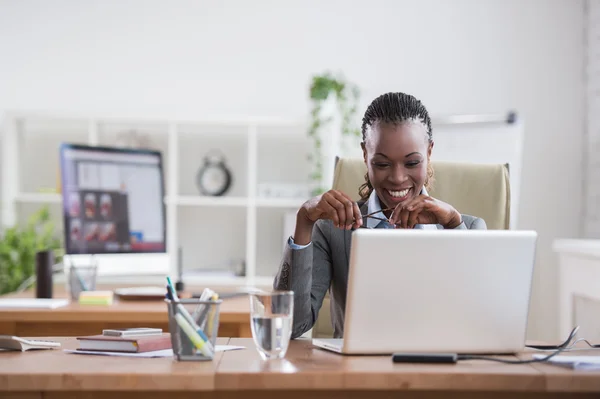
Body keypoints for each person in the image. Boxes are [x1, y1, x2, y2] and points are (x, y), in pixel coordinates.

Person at [273, 92, 487, 339]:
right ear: (365, 155)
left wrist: (453, 225)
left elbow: (477, 323)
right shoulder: (332, 229)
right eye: (382, 164)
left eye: (411, 163)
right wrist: (304, 220)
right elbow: (289, 325)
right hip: (357, 374)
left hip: (438, 373)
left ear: (429, 153)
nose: (397, 178)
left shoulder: (467, 228)